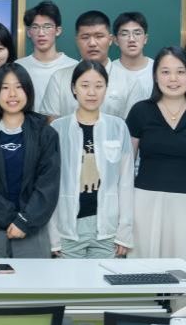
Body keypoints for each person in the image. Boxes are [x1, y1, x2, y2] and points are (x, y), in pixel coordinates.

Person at [126, 47, 186, 266]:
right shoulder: (140, 111)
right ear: (155, 76)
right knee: (145, 270)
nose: (173, 79)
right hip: (145, 203)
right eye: (165, 72)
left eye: (180, 71)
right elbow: (127, 165)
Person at [0, 64, 59, 258]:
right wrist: (11, 218)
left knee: (32, 278)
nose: (12, 94)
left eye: (18, 87)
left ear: (28, 91)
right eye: (5, 88)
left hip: (32, 229)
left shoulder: (45, 133)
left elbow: (48, 184)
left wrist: (24, 221)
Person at [49, 61, 135, 259]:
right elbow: (50, 184)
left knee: (105, 279)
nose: (91, 92)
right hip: (67, 227)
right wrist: (52, 235)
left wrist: (124, 231)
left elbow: (125, 181)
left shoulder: (118, 127)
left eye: (98, 86)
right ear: (74, 88)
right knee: (67, 279)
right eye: (85, 85)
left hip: (107, 227)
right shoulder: (57, 129)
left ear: (106, 88)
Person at [41, 10, 123, 120]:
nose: (92, 43)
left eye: (99, 36)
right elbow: (51, 123)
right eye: (85, 37)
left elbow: (133, 125)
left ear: (110, 39)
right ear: (76, 41)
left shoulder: (128, 81)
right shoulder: (59, 78)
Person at [16, 0, 77, 114]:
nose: (41, 33)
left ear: (58, 30)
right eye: (35, 27)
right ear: (28, 32)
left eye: (47, 26)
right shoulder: (18, 67)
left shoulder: (73, 66)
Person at [109, 11, 155, 118]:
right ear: (115, 40)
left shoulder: (158, 70)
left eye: (137, 33)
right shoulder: (108, 71)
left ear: (145, 39)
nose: (131, 39)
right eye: (124, 34)